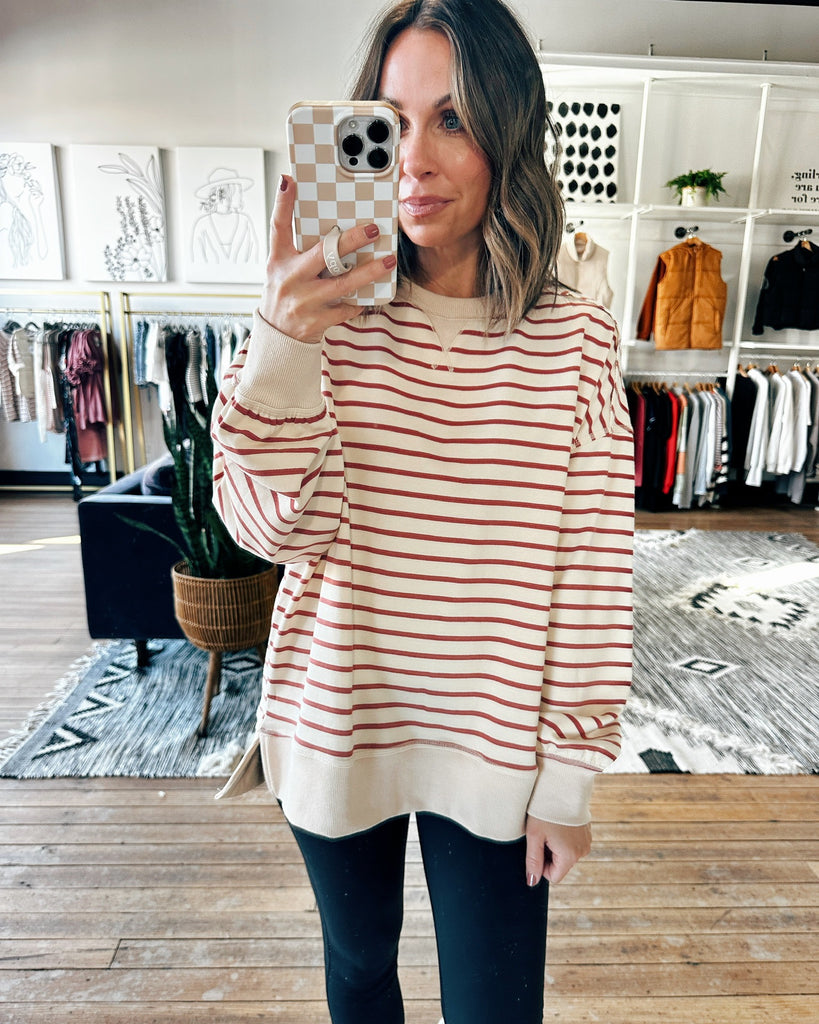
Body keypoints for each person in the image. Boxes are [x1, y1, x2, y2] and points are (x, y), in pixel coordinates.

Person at [211, 1, 634, 1021]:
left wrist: (568, 778)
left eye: (452, 119)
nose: (414, 159)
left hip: (496, 743)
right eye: (389, 122)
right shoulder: (320, 319)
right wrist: (283, 343)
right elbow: (269, 532)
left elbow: (591, 574)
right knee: (360, 969)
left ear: (507, 133)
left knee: (494, 1007)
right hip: (338, 720)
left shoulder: (575, 338)